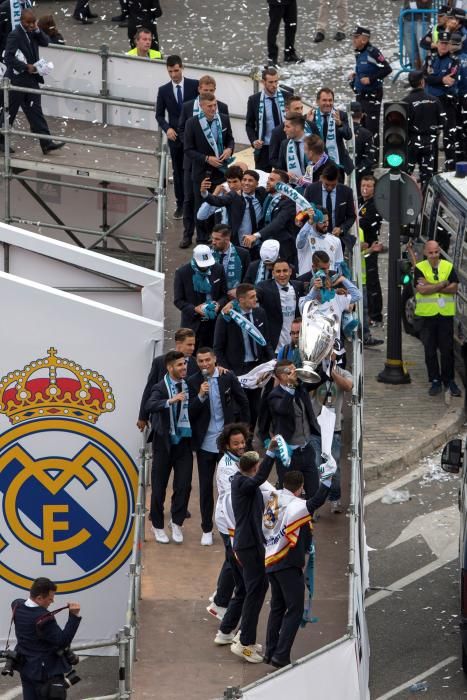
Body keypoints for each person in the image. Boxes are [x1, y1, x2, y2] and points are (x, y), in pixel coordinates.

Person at [263, 471, 330, 667]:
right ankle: (281, 655)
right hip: (288, 563)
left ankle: (270, 651)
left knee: (277, 607)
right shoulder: (298, 505)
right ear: (300, 487)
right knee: (295, 609)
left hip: (271, 561)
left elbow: (265, 528)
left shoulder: (274, 500)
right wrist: (327, 480)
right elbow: (316, 501)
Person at [188, 347, 250, 546]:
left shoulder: (227, 377)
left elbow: (243, 402)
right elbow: (189, 413)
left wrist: (245, 433)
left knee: (232, 486)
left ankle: (234, 526)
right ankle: (207, 528)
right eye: (201, 361)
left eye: (208, 360)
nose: (205, 364)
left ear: (215, 359)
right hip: (205, 444)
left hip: (226, 445)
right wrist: (199, 396)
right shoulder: (192, 382)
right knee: (206, 487)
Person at [226, 445, 277, 663]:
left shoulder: (242, 481)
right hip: (249, 546)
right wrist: (272, 454)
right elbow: (260, 478)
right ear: (254, 468)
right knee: (255, 591)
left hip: (251, 544)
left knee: (258, 588)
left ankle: (245, 635)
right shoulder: (244, 483)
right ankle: (244, 642)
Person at [145, 350, 193, 544]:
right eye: (179, 365)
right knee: (158, 488)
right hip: (163, 444)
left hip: (184, 442)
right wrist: (170, 401)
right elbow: (150, 404)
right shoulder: (160, 387)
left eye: (184, 364)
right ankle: (157, 525)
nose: (183, 368)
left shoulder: (189, 384)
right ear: (169, 367)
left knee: (184, 485)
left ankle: (177, 522)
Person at [213, 282, 274, 431]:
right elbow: (218, 347)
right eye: (252, 297)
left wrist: (272, 362)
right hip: (237, 371)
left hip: (257, 368)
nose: (256, 299)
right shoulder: (227, 318)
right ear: (241, 300)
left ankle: (249, 440)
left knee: (254, 408)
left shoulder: (260, 313)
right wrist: (227, 371)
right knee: (239, 408)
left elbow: (266, 341)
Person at [178, 77, 230, 248]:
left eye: (214, 105)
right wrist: (207, 158)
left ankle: (215, 238)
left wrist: (229, 150)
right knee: (197, 204)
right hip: (200, 169)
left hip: (220, 170)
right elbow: (187, 148)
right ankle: (199, 238)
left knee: (217, 205)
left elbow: (231, 140)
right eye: (210, 106)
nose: (213, 109)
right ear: (201, 105)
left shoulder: (222, 117)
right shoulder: (192, 123)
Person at [3, 10, 65, 155]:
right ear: (21, 21)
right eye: (28, 23)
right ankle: (1, 139)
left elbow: (46, 42)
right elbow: (8, 58)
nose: (31, 25)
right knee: (9, 112)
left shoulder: (33, 32)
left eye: (33, 22)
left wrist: (37, 30)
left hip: (30, 79)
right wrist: (25, 67)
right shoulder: (15, 35)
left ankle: (46, 143)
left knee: (35, 111)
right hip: (16, 80)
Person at [12, 577, 81, 700]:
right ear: (39, 598)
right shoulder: (45, 619)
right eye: (50, 598)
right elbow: (62, 641)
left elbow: (22, 602)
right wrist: (73, 616)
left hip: (26, 668)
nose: (52, 601)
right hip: (45, 673)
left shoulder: (17, 605)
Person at [209, 422, 249, 621]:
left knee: (230, 560)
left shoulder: (241, 461)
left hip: (235, 520)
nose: (241, 446)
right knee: (234, 562)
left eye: (242, 442)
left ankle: (219, 598)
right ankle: (220, 603)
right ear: (226, 445)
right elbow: (235, 496)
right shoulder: (226, 468)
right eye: (236, 444)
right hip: (229, 522)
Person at [414, 240, 461, 397]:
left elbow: (454, 288)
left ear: (439, 251)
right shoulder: (420, 268)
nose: (434, 255)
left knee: (447, 350)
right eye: (431, 253)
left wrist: (431, 285)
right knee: (430, 350)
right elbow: (421, 290)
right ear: (425, 253)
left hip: (445, 315)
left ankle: (449, 380)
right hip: (427, 315)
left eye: (436, 252)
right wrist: (441, 284)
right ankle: (435, 380)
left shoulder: (448, 266)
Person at [267, 359, 320, 496]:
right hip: (289, 453)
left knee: (313, 490)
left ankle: (308, 517)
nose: (295, 373)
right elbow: (282, 409)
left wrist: (326, 362)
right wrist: (290, 388)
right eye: (291, 371)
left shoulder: (300, 387)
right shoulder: (274, 395)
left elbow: (319, 379)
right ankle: (286, 516)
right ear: (283, 376)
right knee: (288, 494)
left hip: (307, 449)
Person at [309, 349, 353, 513]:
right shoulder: (314, 372)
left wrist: (332, 373)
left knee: (333, 466)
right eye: (325, 353)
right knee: (315, 466)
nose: (328, 356)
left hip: (334, 429)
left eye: (331, 353)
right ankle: (314, 505)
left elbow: (348, 386)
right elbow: (307, 390)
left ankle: (334, 498)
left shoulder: (343, 373)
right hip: (315, 428)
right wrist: (320, 374)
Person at [156, 56, 199, 221]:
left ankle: (195, 202)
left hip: (193, 135)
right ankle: (181, 204)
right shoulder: (163, 90)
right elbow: (159, 115)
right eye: (170, 71)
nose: (174, 74)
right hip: (175, 137)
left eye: (176, 70)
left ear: (182, 68)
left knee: (194, 170)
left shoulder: (194, 85)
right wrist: (167, 129)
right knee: (178, 171)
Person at [137, 327, 197, 432]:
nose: (192, 348)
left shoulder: (196, 364)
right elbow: (149, 389)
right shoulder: (160, 362)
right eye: (189, 344)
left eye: (193, 345)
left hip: (186, 422)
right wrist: (143, 416)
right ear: (178, 343)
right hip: (163, 421)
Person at [173, 244, 227, 349]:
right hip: (192, 324)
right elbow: (178, 300)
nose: (205, 267)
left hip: (214, 323)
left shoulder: (218, 269)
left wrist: (218, 304)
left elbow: (224, 294)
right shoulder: (182, 273)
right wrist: (195, 309)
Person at [350, 26, 392, 158]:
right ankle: (362, 156)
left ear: (364, 39)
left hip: (372, 95)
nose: (353, 40)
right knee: (360, 127)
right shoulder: (359, 52)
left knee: (371, 128)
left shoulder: (373, 52)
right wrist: (355, 77)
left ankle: (373, 159)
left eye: (356, 37)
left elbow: (387, 69)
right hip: (361, 95)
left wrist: (371, 79)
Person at [242, 169, 298, 265]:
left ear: (282, 185)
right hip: (266, 244)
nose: (267, 182)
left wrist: (256, 236)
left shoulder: (288, 201)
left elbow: (278, 223)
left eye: (272, 180)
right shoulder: (268, 195)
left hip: (283, 248)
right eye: (268, 179)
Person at [199, 169, 266, 249]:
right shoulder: (224, 194)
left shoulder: (259, 193)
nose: (232, 186)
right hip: (233, 242)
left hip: (257, 242)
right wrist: (213, 194)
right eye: (229, 182)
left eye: (235, 182)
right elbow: (201, 216)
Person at [423, 32, 458, 171]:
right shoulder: (431, 58)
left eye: (446, 43)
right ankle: (432, 169)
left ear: (450, 45)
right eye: (441, 43)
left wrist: (436, 79)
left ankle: (450, 169)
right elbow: (426, 76)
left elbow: (451, 80)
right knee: (431, 137)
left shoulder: (454, 61)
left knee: (449, 136)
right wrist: (441, 79)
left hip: (446, 101)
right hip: (431, 102)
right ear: (437, 44)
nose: (443, 46)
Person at [304, 163, 356, 252]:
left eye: (333, 185)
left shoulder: (346, 192)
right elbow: (304, 212)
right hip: (315, 239)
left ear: (337, 180)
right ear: (322, 178)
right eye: (327, 184)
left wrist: (341, 229)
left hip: (336, 240)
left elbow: (351, 216)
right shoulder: (311, 190)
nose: (330, 187)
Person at [245, 67, 289, 171]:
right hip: (264, 147)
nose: (274, 85)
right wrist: (254, 140)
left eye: (276, 81)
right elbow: (249, 125)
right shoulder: (254, 100)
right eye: (270, 82)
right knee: (263, 179)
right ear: (263, 82)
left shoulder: (287, 96)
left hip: (284, 144)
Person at [256, 258, 303, 353]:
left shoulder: (298, 286)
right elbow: (251, 295)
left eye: (285, 271)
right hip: (275, 346)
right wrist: (233, 303)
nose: (282, 275)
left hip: (297, 345)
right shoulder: (263, 287)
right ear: (273, 273)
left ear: (290, 271)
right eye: (278, 271)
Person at [306, 87, 354, 176]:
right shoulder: (310, 117)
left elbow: (348, 136)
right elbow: (307, 141)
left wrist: (340, 124)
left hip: (337, 163)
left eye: (330, 100)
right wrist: (309, 124)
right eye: (324, 100)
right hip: (317, 164)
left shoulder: (340, 115)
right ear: (317, 101)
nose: (328, 103)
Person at [358, 175, 383, 325]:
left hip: (370, 247)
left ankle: (375, 315)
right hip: (363, 247)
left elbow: (365, 222)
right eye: (363, 185)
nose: (365, 188)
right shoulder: (362, 202)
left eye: (369, 186)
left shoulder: (374, 205)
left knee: (372, 282)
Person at [295, 205, 343, 275]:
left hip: (327, 283)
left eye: (327, 221)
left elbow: (338, 265)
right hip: (307, 282)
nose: (326, 224)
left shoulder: (335, 240)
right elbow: (300, 240)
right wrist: (309, 221)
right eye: (322, 222)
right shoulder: (305, 237)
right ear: (314, 221)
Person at [210, 224, 250, 297]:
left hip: (234, 297)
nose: (213, 242)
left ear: (227, 239)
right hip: (212, 295)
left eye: (217, 239)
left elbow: (248, 278)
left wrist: (239, 290)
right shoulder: (207, 252)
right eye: (212, 238)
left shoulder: (243, 254)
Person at [266, 0, 303, 67]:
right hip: (276, 2)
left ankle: (289, 53)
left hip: (290, 1)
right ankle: (272, 56)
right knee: (274, 27)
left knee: (292, 25)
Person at [276, 112, 308, 185]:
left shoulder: (314, 142)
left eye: (287, 127)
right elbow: (280, 168)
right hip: (293, 187)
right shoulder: (285, 144)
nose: (284, 130)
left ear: (297, 127)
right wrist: (286, 174)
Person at [351, 101, 377, 186]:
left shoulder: (341, 130)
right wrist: (357, 170)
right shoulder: (366, 134)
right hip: (360, 178)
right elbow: (370, 158)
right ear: (362, 115)